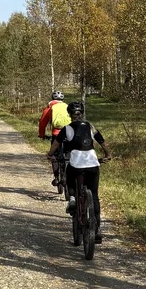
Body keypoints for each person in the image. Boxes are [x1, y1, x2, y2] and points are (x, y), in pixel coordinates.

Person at [53, 99, 110, 243]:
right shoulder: (91, 126)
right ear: (82, 113)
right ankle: (97, 229)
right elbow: (102, 141)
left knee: (70, 175)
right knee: (94, 195)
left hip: (76, 164)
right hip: (93, 164)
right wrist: (108, 155)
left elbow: (57, 143)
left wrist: (49, 154)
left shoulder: (67, 128)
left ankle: (72, 198)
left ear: (70, 115)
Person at [38, 91, 71, 187]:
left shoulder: (49, 109)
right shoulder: (68, 107)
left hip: (56, 134)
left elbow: (42, 124)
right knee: (70, 153)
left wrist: (42, 135)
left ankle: (57, 178)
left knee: (54, 156)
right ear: (63, 100)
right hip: (69, 134)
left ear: (52, 99)